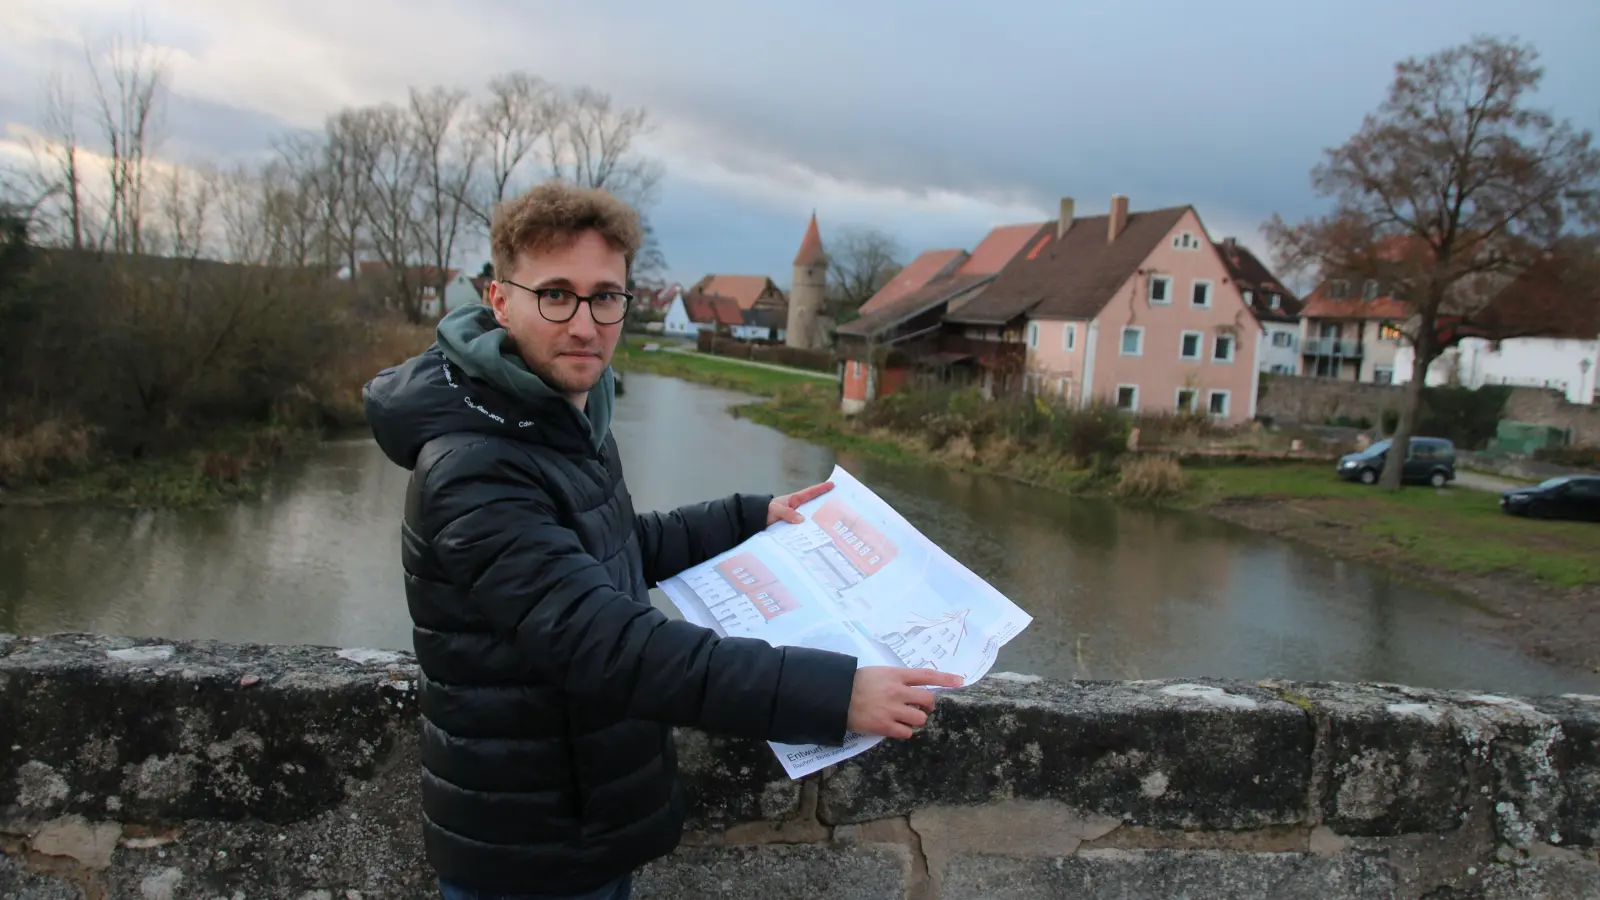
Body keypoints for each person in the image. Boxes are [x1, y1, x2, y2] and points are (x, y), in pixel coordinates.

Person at [363, 180, 961, 900]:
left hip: (585, 823)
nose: (584, 324)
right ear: (500, 300)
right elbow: (604, 643)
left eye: (605, 297)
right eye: (555, 295)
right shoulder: (474, 464)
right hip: (526, 851)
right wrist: (833, 694)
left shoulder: (557, 415)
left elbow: (614, 547)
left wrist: (748, 517)